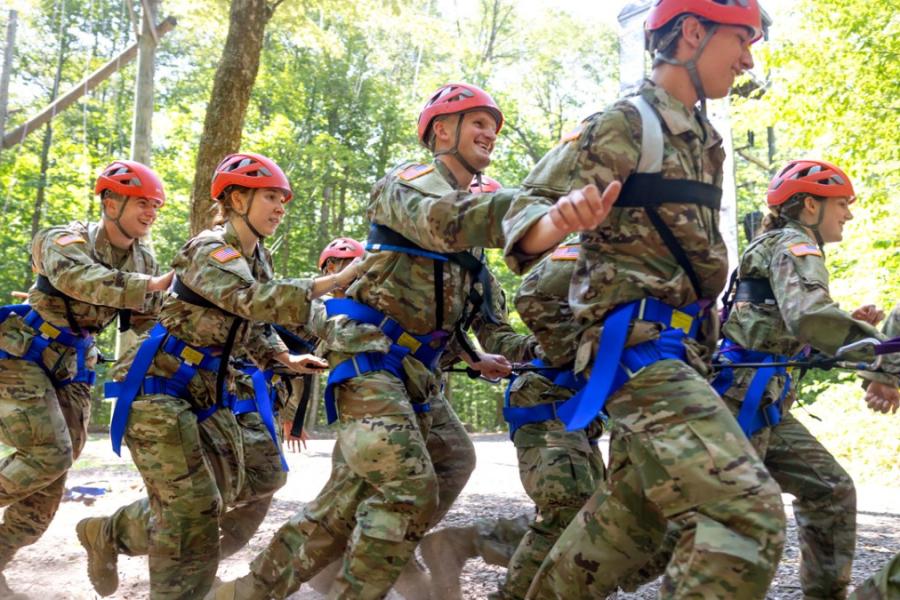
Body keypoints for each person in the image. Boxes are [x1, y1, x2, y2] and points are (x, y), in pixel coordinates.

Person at [501, 0, 787, 597]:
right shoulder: (627, 121)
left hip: (685, 354)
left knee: (626, 535)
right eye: (742, 39)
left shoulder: (704, 138)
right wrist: (554, 224)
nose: (748, 58)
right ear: (691, 32)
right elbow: (527, 202)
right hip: (637, 351)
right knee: (745, 513)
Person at [207, 82, 530, 600]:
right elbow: (441, 222)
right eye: (477, 121)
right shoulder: (408, 183)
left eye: (494, 125)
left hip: (416, 376)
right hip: (369, 357)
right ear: (440, 131)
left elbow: (482, 323)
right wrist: (542, 206)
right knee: (408, 487)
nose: (490, 132)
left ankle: (250, 590)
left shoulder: (474, 260)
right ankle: (362, 577)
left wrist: (489, 355)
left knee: (431, 467)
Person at [79, 152, 356, 600]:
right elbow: (250, 300)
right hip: (160, 388)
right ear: (236, 198)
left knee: (265, 476)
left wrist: (285, 358)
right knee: (192, 510)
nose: (280, 207)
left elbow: (251, 329)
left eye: (283, 199)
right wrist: (333, 280)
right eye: (270, 197)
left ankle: (110, 533)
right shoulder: (209, 248)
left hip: (211, 390)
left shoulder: (257, 257)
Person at [710, 159, 900, 599]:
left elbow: (775, 327)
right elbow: (810, 318)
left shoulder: (777, 243)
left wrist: (846, 327)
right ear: (810, 206)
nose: (849, 214)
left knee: (830, 489)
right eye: (842, 204)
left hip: (760, 404)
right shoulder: (796, 245)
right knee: (720, 524)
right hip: (743, 404)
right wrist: (881, 354)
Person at [0, 159, 171, 595]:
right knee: (49, 453)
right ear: (110, 202)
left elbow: (145, 322)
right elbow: (81, 280)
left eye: (156, 205)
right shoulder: (62, 238)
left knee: (48, 490)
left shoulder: (143, 257)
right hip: (22, 354)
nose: (151, 213)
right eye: (142, 203)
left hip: (73, 366)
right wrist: (149, 286)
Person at [488, 239, 605, 600]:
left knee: (593, 513)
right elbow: (531, 296)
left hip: (577, 410)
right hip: (547, 404)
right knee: (565, 509)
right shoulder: (576, 258)